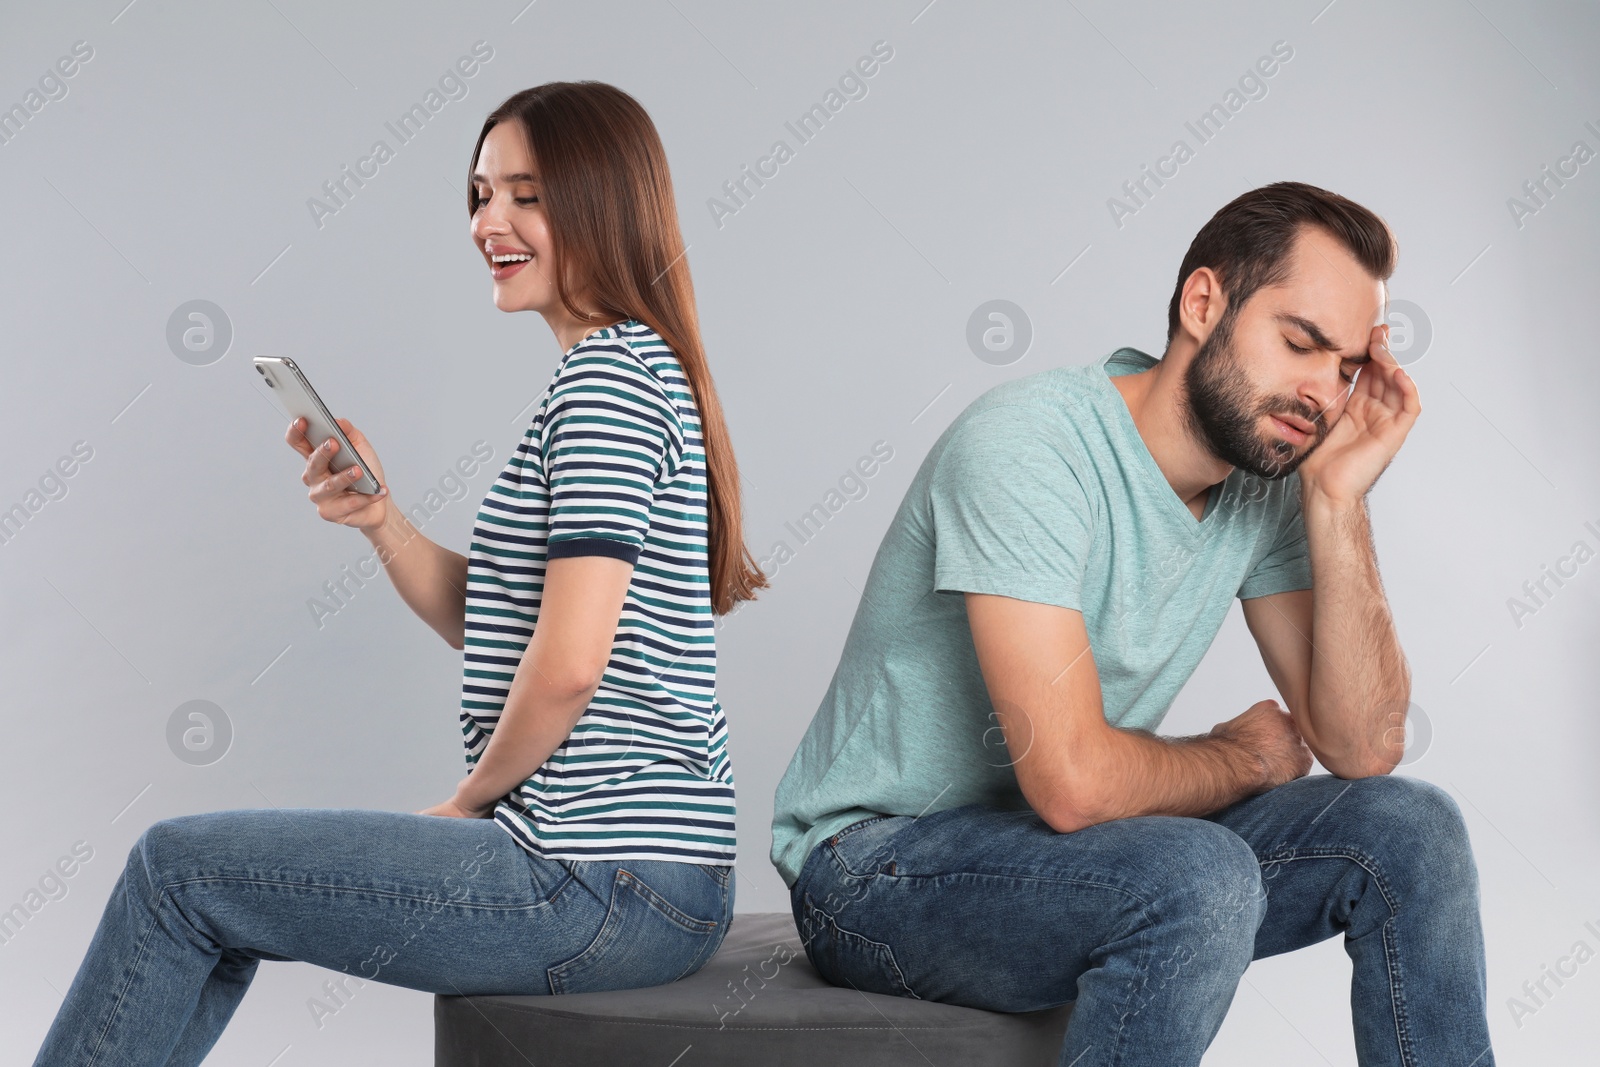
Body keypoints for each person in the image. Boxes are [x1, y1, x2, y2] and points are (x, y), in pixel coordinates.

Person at [33, 81, 765, 1067]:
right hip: (646, 880)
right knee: (208, 887)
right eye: (478, 194)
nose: (487, 222)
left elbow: (569, 666)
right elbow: (509, 627)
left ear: (602, 202)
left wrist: (469, 799)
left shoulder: (604, 384)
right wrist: (384, 521)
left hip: (594, 876)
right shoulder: (626, 371)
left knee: (176, 870)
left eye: (526, 195)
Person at [770, 182, 1494, 1066]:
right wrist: (1244, 760)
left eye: (1345, 367)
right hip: (875, 868)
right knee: (1200, 876)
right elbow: (1071, 782)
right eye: (1300, 341)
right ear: (1203, 303)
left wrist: (1338, 498)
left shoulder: (1265, 489)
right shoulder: (1031, 446)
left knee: (1413, 830)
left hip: (1072, 858)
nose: (1323, 393)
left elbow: (1364, 745)